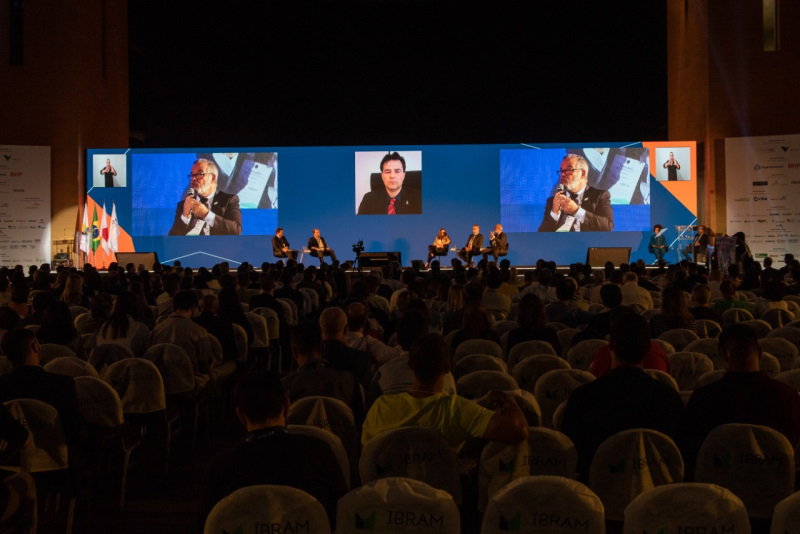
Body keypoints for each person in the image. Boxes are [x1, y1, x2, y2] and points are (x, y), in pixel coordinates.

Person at [201, 371, 348, 526]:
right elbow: (342, 509)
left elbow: (209, 524)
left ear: (241, 416)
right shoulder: (319, 452)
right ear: (286, 406)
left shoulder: (221, 467)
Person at [561, 313, 684, 480]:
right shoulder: (669, 399)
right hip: (657, 495)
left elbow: (569, 459)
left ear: (610, 345)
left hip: (596, 493)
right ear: (648, 348)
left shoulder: (583, 398)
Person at [362, 333, 528, 452]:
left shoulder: (381, 407)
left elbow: (368, 454)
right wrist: (508, 400)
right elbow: (518, 430)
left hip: (390, 498)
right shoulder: (456, 409)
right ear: (448, 368)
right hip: (440, 497)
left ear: (410, 364)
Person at [683, 324, 800, 468]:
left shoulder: (703, 399)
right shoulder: (789, 396)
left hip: (714, 483)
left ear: (725, 354)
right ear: (760, 353)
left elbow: (690, 453)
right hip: (780, 485)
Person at [538, 154, 614, 232]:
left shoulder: (599, 196)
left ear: (583, 173)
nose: (562, 175)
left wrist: (576, 211)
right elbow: (541, 235)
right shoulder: (553, 201)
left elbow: (608, 226)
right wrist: (554, 214)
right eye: (561, 171)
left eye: (569, 170)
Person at [168, 158, 242, 236]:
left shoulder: (228, 200)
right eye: (192, 175)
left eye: (200, 174)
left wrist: (206, 214)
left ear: (213, 178)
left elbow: (236, 230)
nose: (193, 179)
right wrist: (185, 217)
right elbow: (173, 238)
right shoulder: (184, 204)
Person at [357, 152, 422, 215]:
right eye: (387, 172)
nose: (392, 176)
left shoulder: (419, 198)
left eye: (397, 171)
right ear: (382, 176)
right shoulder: (368, 199)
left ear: (404, 175)